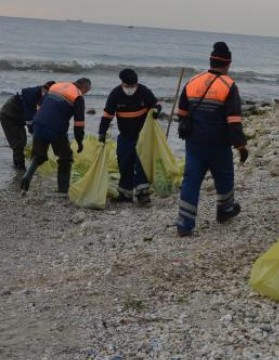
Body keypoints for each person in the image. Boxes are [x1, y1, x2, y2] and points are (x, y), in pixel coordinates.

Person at [175, 41, 248, 237]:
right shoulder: (229, 86)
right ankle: (224, 211)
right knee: (224, 177)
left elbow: (181, 113)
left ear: (210, 61)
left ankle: (184, 223)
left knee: (191, 180)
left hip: (194, 142)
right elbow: (233, 121)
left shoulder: (192, 82)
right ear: (228, 64)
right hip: (218, 143)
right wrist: (241, 146)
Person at [98, 69, 161, 204]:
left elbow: (155, 105)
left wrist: (156, 111)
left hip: (143, 136)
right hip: (125, 136)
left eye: (134, 86)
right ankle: (125, 194)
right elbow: (108, 114)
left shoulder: (144, 91)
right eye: (128, 86)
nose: (131, 89)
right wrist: (102, 132)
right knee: (124, 163)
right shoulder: (116, 94)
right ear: (123, 83)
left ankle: (142, 193)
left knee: (141, 163)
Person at [20, 78, 92, 194]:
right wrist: (79, 141)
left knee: (40, 155)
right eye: (86, 92)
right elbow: (79, 123)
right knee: (65, 158)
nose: (85, 94)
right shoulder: (78, 96)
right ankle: (63, 190)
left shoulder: (56, 86)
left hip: (38, 123)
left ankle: (27, 175)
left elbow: (40, 104)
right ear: (84, 88)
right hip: (56, 128)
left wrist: (38, 120)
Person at [0, 80, 55, 170]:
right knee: (18, 143)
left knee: (23, 141)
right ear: (43, 89)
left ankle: (22, 166)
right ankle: (19, 168)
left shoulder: (48, 97)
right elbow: (30, 119)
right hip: (9, 115)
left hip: (20, 117)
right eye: (46, 92)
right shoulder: (32, 95)